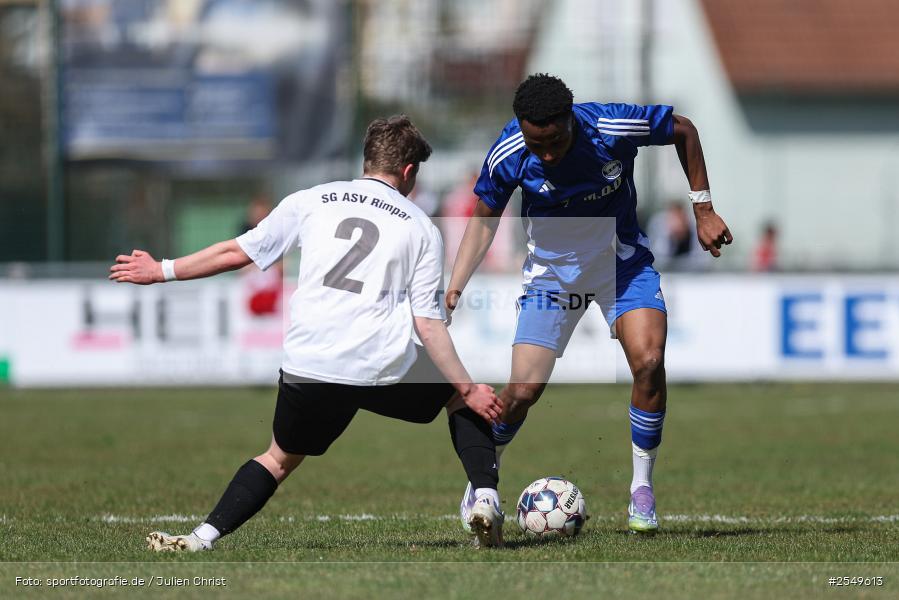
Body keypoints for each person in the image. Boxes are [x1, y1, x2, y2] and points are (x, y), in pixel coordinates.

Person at [109, 115, 506, 550]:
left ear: (368, 159)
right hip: (381, 366)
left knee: (278, 458)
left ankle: (201, 538)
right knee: (455, 397)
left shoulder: (313, 200)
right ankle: (485, 497)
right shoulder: (420, 227)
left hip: (309, 365)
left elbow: (235, 252)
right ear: (410, 171)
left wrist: (160, 270)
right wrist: (468, 389)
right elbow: (427, 323)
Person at [446, 74, 733, 535]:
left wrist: (702, 207)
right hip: (552, 278)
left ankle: (642, 488)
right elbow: (484, 220)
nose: (545, 153)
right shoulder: (509, 151)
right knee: (521, 392)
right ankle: (484, 481)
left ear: (569, 120)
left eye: (554, 141)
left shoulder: (611, 126)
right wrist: (456, 284)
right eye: (535, 143)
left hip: (621, 266)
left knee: (649, 360)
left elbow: (683, 129)